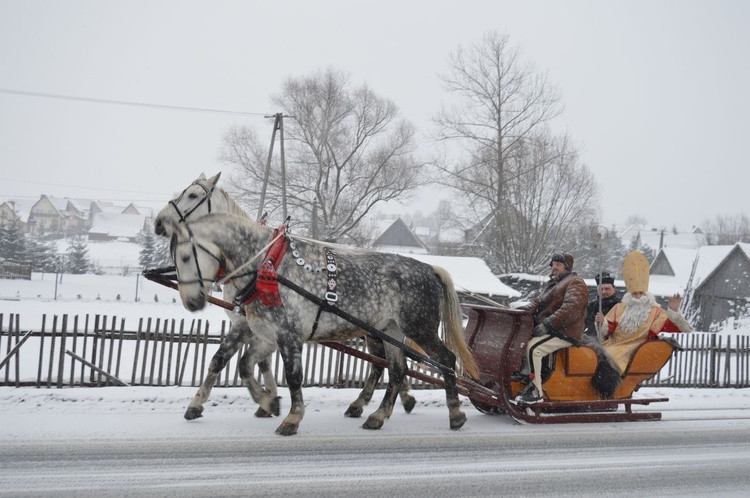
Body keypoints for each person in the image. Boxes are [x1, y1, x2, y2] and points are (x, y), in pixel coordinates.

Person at [513, 252, 589, 404]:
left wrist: (546, 325)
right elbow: (536, 303)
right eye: (553, 264)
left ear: (567, 267)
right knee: (521, 344)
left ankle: (536, 391)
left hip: (565, 332)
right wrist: (519, 313)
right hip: (553, 330)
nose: (554, 267)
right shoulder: (553, 284)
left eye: (558, 264)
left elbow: (571, 310)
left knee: (533, 349)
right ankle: (527, 376)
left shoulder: (575, 283)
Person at [602, 251, 693, 374]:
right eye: (635, 293)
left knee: (613, 361)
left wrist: (674, 311)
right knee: (596, 356)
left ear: (646, 294)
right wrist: (602, 322)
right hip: (613, 344)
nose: (638, 296)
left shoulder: (656, 312)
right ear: (630, 295)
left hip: (636, 348)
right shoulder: (619, 308)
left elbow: (678, 328)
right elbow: (609, 329)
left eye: (641, 293)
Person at [584, 272, 621, 341]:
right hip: (590, 341)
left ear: (614, 289)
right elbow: (582, 325)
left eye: (607, 289)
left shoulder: (621, 306)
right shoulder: (591, 306)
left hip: (613, 342)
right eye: (601, 289)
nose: (603, 292)